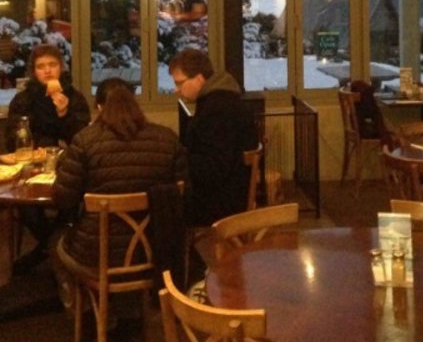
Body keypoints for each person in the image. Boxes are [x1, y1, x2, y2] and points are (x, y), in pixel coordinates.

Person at [52, 78, 187, 317]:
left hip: (97, 253)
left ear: (100, 108)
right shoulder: (167, 138)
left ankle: (85, 313)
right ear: (134, 105)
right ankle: (127, 312)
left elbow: (63, 198)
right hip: (155, 248)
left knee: (56, 244)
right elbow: (180, 191)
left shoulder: (85, 141)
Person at [5, 44, 90, 272]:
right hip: (32, 165)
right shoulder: (24, 99)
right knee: (25, 203)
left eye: (52, 65)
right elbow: (13, 138)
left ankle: (46, 248)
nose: (48, 71)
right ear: (34, 71)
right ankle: (53, 246)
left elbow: (84, 139)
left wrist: (64, 114)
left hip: (69, 166)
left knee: (70, 199)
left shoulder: (75, 97)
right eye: (41, 67)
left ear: (61, 67)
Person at [168, 48, 258, 226]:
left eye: (180, 83)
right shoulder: (222, 99)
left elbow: (214, 167)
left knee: (162, 207)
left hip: (220, 203)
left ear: (200, 79)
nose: (176, 90)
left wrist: (177, 161)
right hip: (231, 192)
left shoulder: (217, 110)